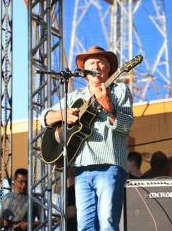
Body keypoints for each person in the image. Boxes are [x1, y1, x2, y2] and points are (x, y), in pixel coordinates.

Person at [40, 46, 134, 230]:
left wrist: (109, 107)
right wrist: (62, 115)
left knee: (107, 221)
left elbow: (126, 125)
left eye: (101, 62)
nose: (96, 66)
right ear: (84, 73)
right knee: (85, 226)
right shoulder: (75, 96)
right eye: (91, 63)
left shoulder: (120, 90)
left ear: (109, 69)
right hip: (81, 169)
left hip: (110, 164)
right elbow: (44, 118)